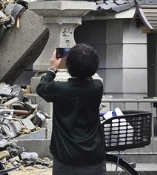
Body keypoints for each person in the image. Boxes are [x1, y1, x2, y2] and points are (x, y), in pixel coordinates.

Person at [36, 43, 106, 174]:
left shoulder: (58, 89)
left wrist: (53, 68)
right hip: (94, 155)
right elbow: (88, 78)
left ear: (69, 66)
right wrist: (84, 62)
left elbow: (41, 88)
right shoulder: (97, 87)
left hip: (65, 156)